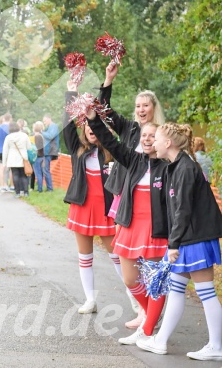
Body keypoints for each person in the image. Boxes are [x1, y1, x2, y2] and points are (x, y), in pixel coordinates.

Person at [136, 123, 222, 361]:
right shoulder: (174, 167)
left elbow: (182, 210)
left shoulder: (185, 168)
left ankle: (217, 346)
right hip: (187, 239)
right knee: (175, 289)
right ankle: (160, 341)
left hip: (195, 239)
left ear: (168, 143)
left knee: (206, 293)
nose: (153, 143)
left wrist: (173, 245)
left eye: (157, 139)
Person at [86, 110, 168, 345]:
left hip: (156, 229)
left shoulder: (168, 166)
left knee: (155, 282)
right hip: (131, 224)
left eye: (152, 135)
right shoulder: (133, 158)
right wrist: (93, 119)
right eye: (144, 135)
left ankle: (148, 330)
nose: (147, 139)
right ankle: (149, 315)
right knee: (130, 279)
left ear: (160, 140)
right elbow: (110, 140)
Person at [100, 63, 166, 324]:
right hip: (125, 194)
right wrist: (108, 80)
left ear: (153, 108)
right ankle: (142, 307)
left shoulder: (162, 133)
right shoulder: (128, 129)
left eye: (145, 106)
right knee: (126, 251)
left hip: (150, 199)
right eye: (138, 106)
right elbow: (104, 113)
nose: (141, 110)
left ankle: (151, 309)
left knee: (147, 254)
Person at [63, 82, 119, 314]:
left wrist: (106, 88)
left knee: (118, 257)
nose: (92, 132)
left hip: (107, 211)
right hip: (83, 209)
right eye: (89, 129)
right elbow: (67, 127)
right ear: (84, 129)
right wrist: (71, 93)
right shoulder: (77, 148)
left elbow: (104, 111)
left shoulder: (113, 151)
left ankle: (136, 298)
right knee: (85, 257)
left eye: (96, 129)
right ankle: (90, 300)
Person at [2, 122, 31, 198]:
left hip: (12, 158)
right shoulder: (24, 135)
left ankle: (17, 192)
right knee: (23, 175)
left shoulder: (8, 137)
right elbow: (29, 147)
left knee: (15, 175)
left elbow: (5, 150)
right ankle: (26, 192)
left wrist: (4, 162)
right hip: (23, 157)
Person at [41, 113, 59, 192]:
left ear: (49, 119)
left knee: (46, 169)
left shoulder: (53, 126)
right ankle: (48, 187)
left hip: (50, 151)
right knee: (45, 169)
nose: (44, 123)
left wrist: (41, 132)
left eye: (44, 121)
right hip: (47, 151)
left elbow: (50, 136)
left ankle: (50, 188)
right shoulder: (49, 127)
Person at [32, 121, 46, 192]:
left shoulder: (36, 136)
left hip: (37, 157)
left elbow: (36, 148)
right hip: (41, 156)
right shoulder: (41, 136)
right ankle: (40, 187)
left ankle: (39, 189)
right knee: (40, 173)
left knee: (38, 173)